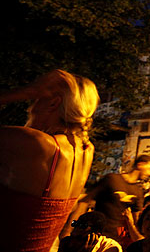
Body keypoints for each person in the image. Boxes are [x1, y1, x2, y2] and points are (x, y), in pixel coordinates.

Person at [0, 69, 99, 252]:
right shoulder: (86, 150)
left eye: (36, 99)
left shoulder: (36, 144)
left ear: (54, 102)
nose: (30, 108)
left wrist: (25, 91)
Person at [66, 154, 150, 247]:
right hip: (93, 236)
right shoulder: (112, 179)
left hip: (113, 241)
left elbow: (136, 221)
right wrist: (69, 230)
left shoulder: (138, 192)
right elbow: (85, 201)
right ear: (140, 165)